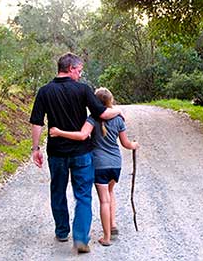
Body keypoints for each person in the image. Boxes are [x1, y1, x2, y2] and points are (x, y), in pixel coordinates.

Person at [29, 53, 123, 254]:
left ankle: (62, 231)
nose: (80, 75)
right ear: (71, 68)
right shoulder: (82, 90)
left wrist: (35, 148)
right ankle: (80, 237)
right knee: (83, 195)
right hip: (81, 153)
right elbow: (103, 113)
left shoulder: (45, 91)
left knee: (58, 191)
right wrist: (119, 111)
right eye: (79, 71)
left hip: (56, 153)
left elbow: (37, 122)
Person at [49, 87, 139, 246]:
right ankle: (113, 224)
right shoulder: (119, 119)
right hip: (116, 164)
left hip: (99, 164)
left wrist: (58, 132)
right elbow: (126, 144)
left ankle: (106, 237)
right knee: (111, 193)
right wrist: (134, 145)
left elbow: (82, 135)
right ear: (111, 100)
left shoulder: (92, 119)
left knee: (103, 200)